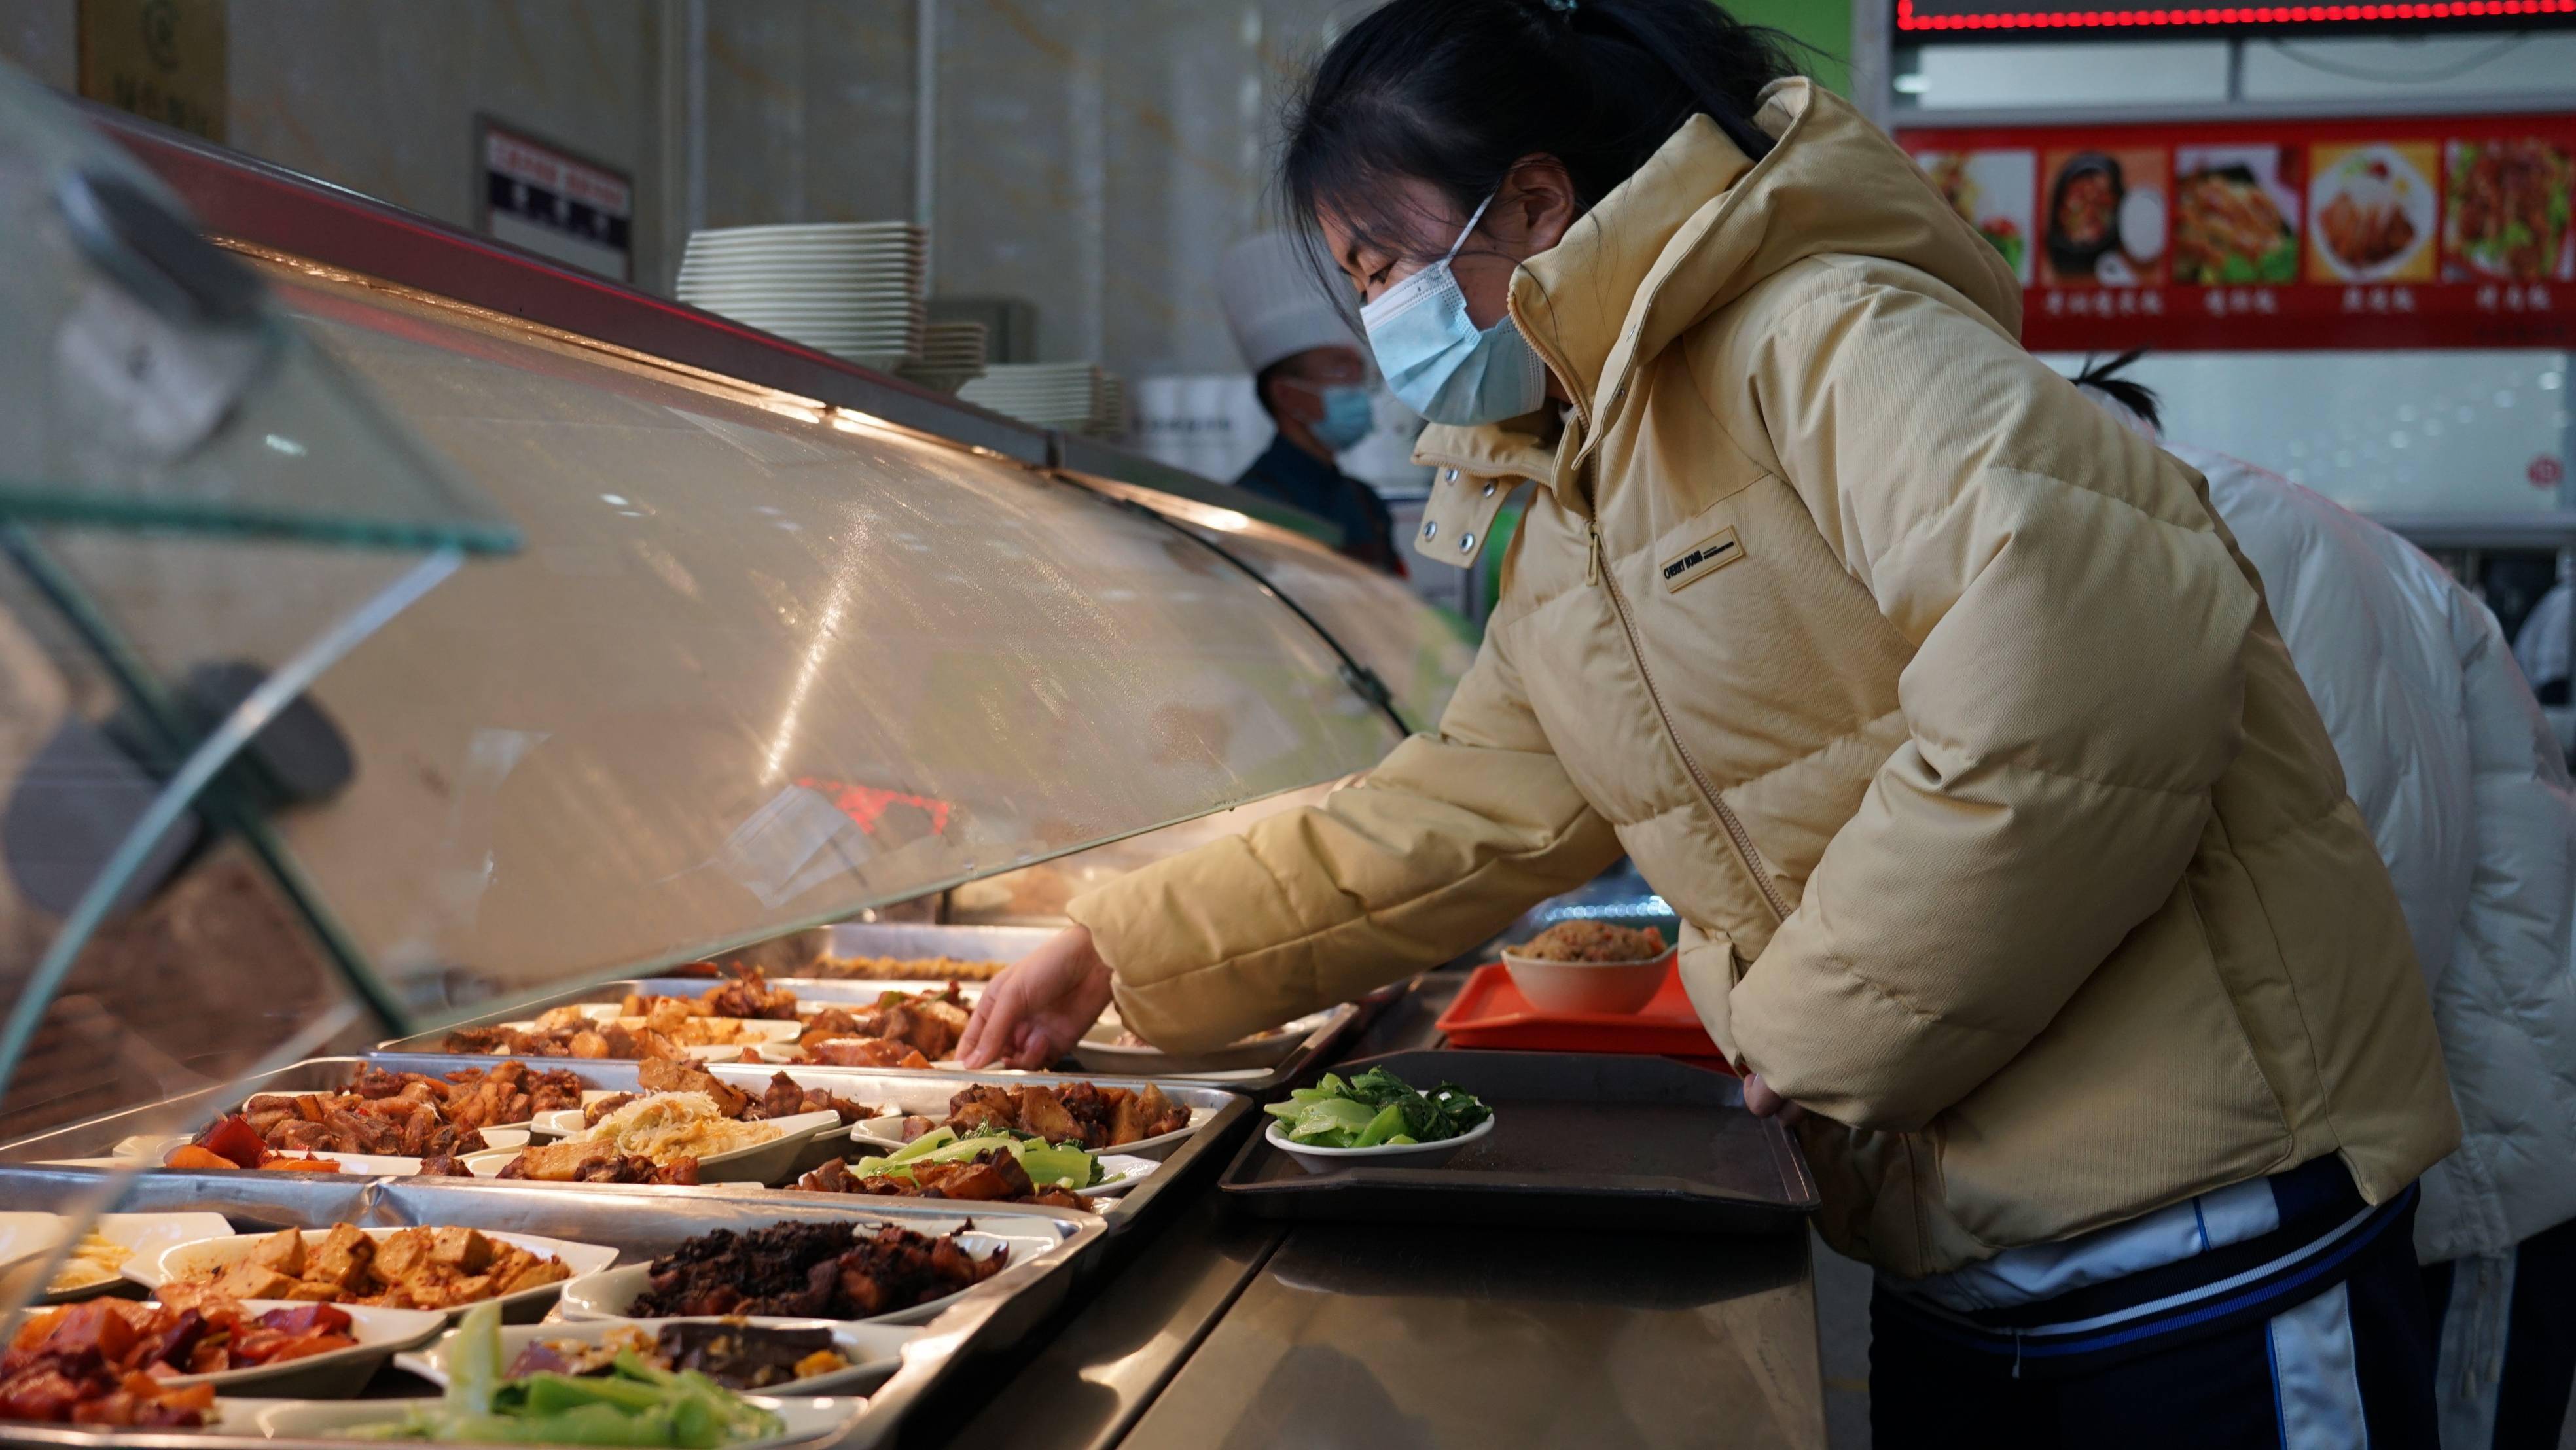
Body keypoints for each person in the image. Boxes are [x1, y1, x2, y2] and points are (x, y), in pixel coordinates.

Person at [963, 1, 2460, 1441]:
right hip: (1963, 1246)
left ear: (1532, 204)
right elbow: (1468, 804)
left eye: (1378, 263)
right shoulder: (1583, 481)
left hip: (2199, 1225)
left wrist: (1816, 1019)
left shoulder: (1825, 332)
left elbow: (2085, 673)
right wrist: (1128, 940)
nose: (1372, 322)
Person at [2079, 354, 2576, 1450]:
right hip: (2392, 1165)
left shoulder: (2249, 544)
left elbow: (2364, 909)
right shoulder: (2218, 530)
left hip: (2471, 1164)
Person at [1215, 231, 1407, 573]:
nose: (1357, 384)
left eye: (1357, 369)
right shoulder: (1247, 508)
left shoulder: (1366, 503)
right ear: (1288, 396)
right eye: (1338, 369)